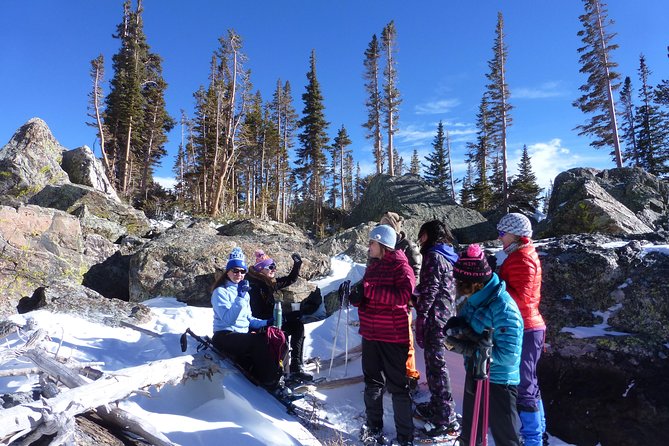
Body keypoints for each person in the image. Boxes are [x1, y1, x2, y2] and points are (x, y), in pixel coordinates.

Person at [445, 243, 523, 446]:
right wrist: (459, 326)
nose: (459, 287)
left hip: (499, 382)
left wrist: (468, 348)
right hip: (476, 373)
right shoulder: (475, 299)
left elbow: (508, 356)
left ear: (476, 283)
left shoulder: (504, 308)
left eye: (462, 282)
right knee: (471, 435)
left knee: (506, 438)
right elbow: (473, 327)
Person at [349, 224, 416, 446]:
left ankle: (406, 437)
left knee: (398, 387)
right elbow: (369, 295)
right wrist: (357, 297)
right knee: (372, 383)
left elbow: (405, 296)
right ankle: (374, 428)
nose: (368, 247)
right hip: (370, 333)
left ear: (383, 245)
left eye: (371, 243)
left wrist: (369, 291)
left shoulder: (401, 267)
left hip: (393, 336)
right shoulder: (373, 267)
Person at [496, 213, 547, 446]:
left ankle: (533, 440)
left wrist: (495, 284)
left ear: (516, 234)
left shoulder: (521, 258)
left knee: (525, 385)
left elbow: (520, 300)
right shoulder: (519, 255)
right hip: (527, 326)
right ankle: (538, 435)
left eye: (502, 233)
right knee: (530, 383)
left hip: (525, 327)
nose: (499, 238)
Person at [210, 247, 284, 391]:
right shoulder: (220, 292)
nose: (239, 274)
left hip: (241, 335)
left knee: (275, 337)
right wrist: (239, 298)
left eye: (242, 271)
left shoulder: (244, 293)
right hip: (224, 335)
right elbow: (228, 320)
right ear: (228, 272)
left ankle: (280, 375)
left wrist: (268, 322)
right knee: (258, 341)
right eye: (235, 270)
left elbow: (248, 319)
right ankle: (269, 381)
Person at [412, 219, 460, 437]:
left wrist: (421, 313)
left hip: (435, 319)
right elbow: (437, 284)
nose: (420, 239)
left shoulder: (433, 255)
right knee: (436, 365)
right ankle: (438, 406)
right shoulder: (448, 255)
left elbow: (431, 288)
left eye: (422, 235)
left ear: (429, 235)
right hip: (447, 317)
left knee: (436, 367)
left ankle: (445, 417)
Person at [246, 249, 313, 381]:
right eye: (270, 267)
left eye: (274, 266)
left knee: (297, 326)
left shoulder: (269, 283)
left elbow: (290, 279)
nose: (274, 269)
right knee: (286, 330)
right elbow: (258, 314)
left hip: (273, 322)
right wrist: (285, 317)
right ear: (260, 270)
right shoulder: (254, 287)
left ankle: (296, 366)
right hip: (261, 327)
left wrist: (297, 264)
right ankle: (282, 370)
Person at [379, 211, 422, 391]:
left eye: (388, 226)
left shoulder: (407, 246)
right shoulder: (380, 245)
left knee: (405, 341)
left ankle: (409, 377)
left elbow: (416, 274)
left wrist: (409, 297)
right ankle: (389, 374)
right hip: (383, 303)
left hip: (402, 303)